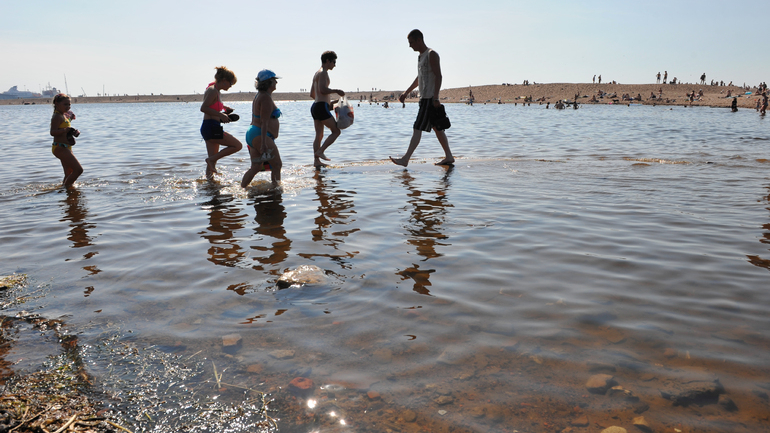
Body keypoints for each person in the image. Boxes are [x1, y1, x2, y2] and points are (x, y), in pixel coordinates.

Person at [390, 29, 454, 167]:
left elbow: (439, 76)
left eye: (411, 42)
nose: (410, 46)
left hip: (429, 99)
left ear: (419, 40)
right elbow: (419, 78)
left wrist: (436, 97)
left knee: (417, 127)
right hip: (424, 98)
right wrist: (406, 93)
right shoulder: (420, 57)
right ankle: (449, 156)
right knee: (437, 128)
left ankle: (406, 159)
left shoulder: (432, 54)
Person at [241, 70, 283, 188]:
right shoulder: (265, 98)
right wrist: (263, 143)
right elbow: (264, 122)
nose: (276, 82)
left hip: (254, 133)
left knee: (256, 167)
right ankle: (276, 191)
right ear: (269, 82)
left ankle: (242, 188)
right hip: (260, 134)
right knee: (277, 165)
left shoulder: (260, 95)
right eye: (275, 80)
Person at [200, 66, 242, 179]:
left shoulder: (215, 90)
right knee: (237, 145)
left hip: (211, 126)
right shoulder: (213, 90)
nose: (231, 86)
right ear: (224, 80)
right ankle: (211, 161)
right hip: (211, 127)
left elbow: (212, 106)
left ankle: (210, 185)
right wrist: (220, 115)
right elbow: (203, 108)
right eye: (230, 83)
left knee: (212, 162)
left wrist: (224, 109)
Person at [310, 51, 345, 168]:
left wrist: (327, 102)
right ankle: (320, 151)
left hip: (316, 106)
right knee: (336, 131)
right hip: (320, 107)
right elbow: (323, 90)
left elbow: (312, 94)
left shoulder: (316, 73)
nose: (335, 65)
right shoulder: (323, 73)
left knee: (319, 135)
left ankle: (316, 161)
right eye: (334, 62)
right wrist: (337, 91)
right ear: (328, 61)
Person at [50, 94, 83, 187]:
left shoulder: (63, 115)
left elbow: (63, 125)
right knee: (78, 170)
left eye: (69, 105)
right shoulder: (56, 116)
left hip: (66, 147)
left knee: (69, 173)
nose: (68, 107)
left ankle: (66, 194)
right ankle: (68, 188)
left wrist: (70, 119)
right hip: (59, 147)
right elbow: (52, 132)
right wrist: (65, 130)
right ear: (57, 103)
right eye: (65, 104)